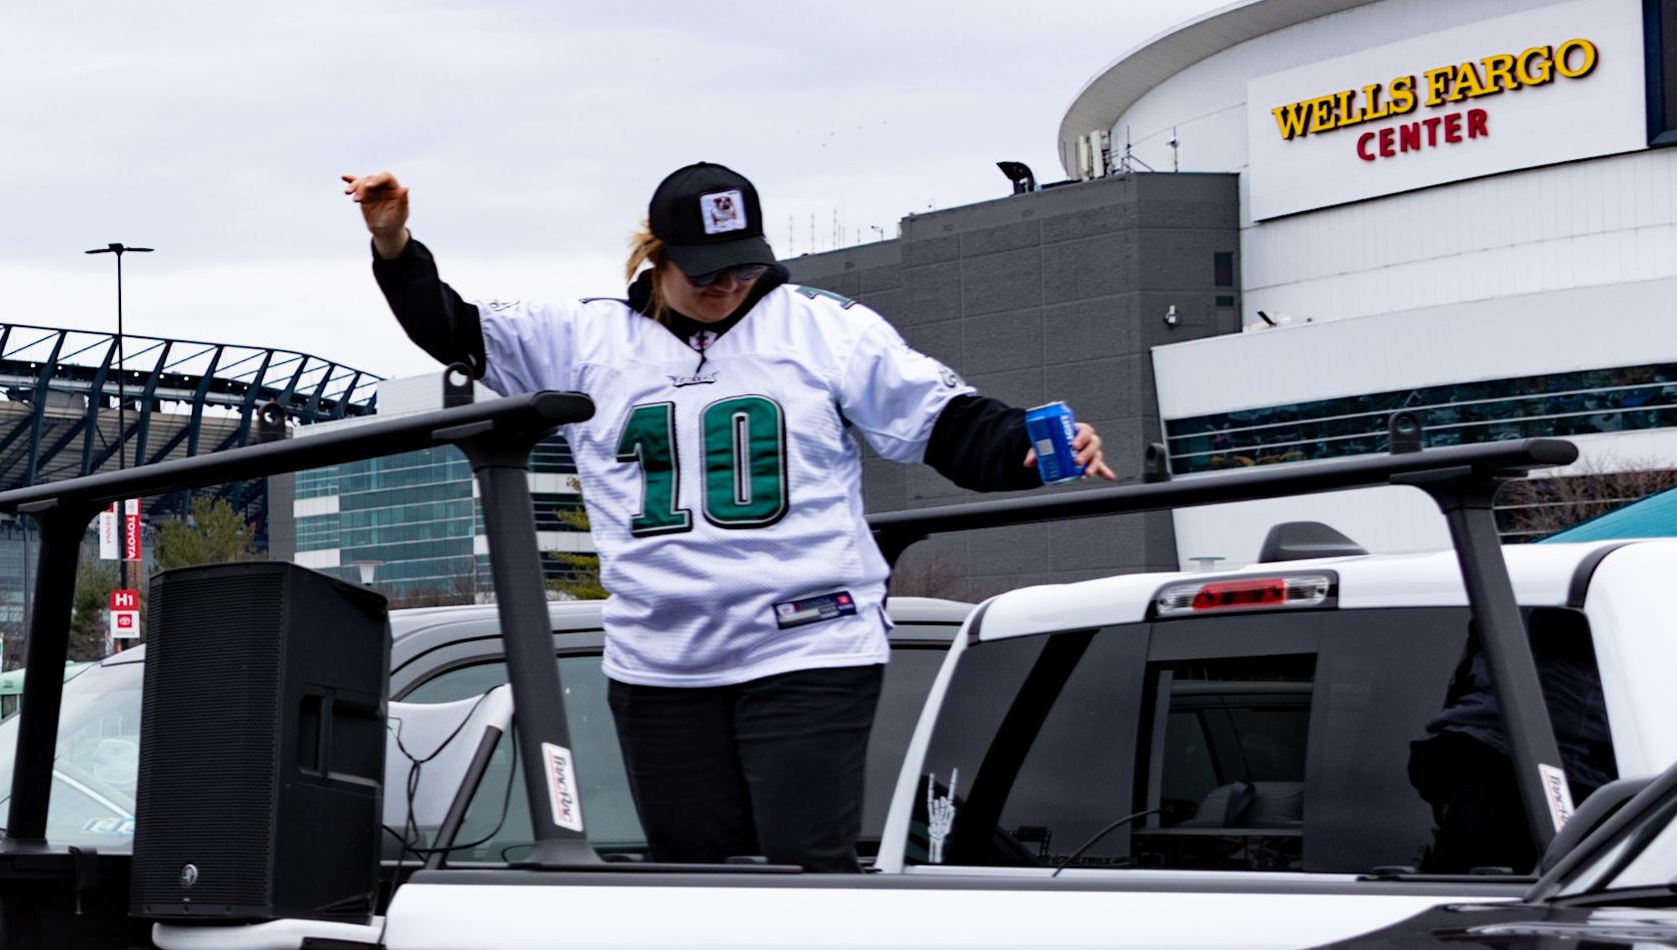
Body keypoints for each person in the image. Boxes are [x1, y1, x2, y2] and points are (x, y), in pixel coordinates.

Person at [346, 160, 1112, 873]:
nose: (727, 286)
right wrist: (393, 241)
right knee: (693, 879)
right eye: (706, 271)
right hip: (661, 654)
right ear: (655, 255)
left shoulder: (822, 328)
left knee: (803, 871)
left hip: (807, 643)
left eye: (744, 266)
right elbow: (452, 327)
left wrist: (1031, 445)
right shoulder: (586, 335)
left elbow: (944, 421)